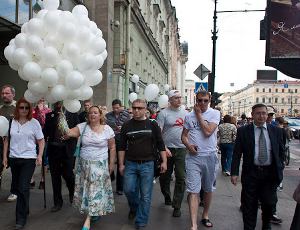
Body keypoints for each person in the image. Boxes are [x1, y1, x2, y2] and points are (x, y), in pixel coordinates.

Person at [231, 103, 285, 230]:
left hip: (270, 175)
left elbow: (280, 152)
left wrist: (280, 169)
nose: (261, 116)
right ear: (252, 115)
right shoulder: (243, 131)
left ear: (267, 115)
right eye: (258, 113)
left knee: (269, 204)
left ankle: (266, 226)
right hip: (251, 174)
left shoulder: (277, 131)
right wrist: (234, 172)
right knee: (249, 206)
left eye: (264, 113)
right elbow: (237, 153)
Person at [64, 106, 116, 230]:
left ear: (100, 115)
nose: (92, 115)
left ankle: (88, 219)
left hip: (99, 165)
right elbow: (68, 132)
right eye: (90, 113)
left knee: (94, 190)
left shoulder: (107, 129)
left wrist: (111, 164)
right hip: (84, 165)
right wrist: (62, 120)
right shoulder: (82, 127)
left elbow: (112, 147)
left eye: (95, 112)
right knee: (87, 190)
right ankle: (95, 212)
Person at [118, 99, 167, 229]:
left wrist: (164, 161)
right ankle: (134, 207)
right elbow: (121, 146)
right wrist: (121, 164)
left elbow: (160, 144)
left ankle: (141, 221)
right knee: (128, 189)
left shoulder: (152, 124)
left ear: (146, 109)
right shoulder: (127, 125)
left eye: (139, 108)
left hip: (148, 164)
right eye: (134, 108)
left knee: (146, 194)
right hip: (130, 163)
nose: (136, 110)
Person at [2, 98, 44, 230]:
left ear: (30, 109)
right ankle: (25, 207)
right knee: (15, 187)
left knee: (23, 187)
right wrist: (5, 156)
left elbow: (41, 141)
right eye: (21, 107)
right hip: (14, 158)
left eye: (26, 107)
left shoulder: (34, 123)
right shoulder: (11, 122)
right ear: (17, 108)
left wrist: (40, 155)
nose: (24, 110)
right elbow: (6, 140)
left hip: (28, 159)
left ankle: (20, 219)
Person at [181, 90, 220, 230]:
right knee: (193, 190)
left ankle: (205, 215)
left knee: (208, 188)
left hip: (210, 156)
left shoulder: (215, 114)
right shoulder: (188, 116)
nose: (202, 103)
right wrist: (188, 145)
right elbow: (184, 136)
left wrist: (198, 115)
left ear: (209, 100)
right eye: (199, 100)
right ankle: (193, 224)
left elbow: (208, 132)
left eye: (205, 100)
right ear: (195, 100)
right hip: (193, 158)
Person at [43, 101, 79, 212]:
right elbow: (45, 133)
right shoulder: (50, 115)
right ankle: (57, 202)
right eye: (57, 102)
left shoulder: (73, 114)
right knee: (55, 177)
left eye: (61, 101)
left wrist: (70, 135)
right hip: (54, 150)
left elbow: (78, 131)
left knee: (68, 174)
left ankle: (72, 192)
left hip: (67, 150)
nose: (59, 104)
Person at [156, 89, 188, 217]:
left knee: (181, 177)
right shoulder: (163, 114)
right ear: (169, 100)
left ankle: (177, 206)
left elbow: (189, 131)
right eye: (176, 98)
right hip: (167, 149)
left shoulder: (186, 114)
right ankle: (167, 195)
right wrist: (163, 148)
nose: (179, 99)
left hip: (181, 149)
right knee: (165, 177)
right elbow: (159, 133)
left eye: (180, 97)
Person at [106, 99, 131, 195]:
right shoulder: (108, 116)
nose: (115, 109)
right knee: (109, 161)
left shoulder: (126, 115)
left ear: (121, 106)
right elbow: (106, 126)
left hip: (122, 141)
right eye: (114, 108)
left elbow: (129, 126)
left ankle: (120, 188)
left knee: (121, 163)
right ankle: (111, 176)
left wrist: (123, 128)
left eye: (117, 107)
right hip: (111, 141)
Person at [0, 84, 17, 201]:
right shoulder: (0, 108)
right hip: (1, 143)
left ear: (13, 94)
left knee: (15, 168)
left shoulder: (19, 108)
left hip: (15, 143)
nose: (4, 95)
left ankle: (14, 191)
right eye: (2, 93)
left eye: (7, 93)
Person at [31, 98, 51, 189]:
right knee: (31, 158)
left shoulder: (48, 111)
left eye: (42, 99)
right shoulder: (32, 111)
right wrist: (37, 111)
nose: (40, 100)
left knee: (43, 159)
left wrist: (41, 112)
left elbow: (46, 124)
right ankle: (31, 179)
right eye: (39, 99)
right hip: (33, 139)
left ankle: (42, 180)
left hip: (44, 138)